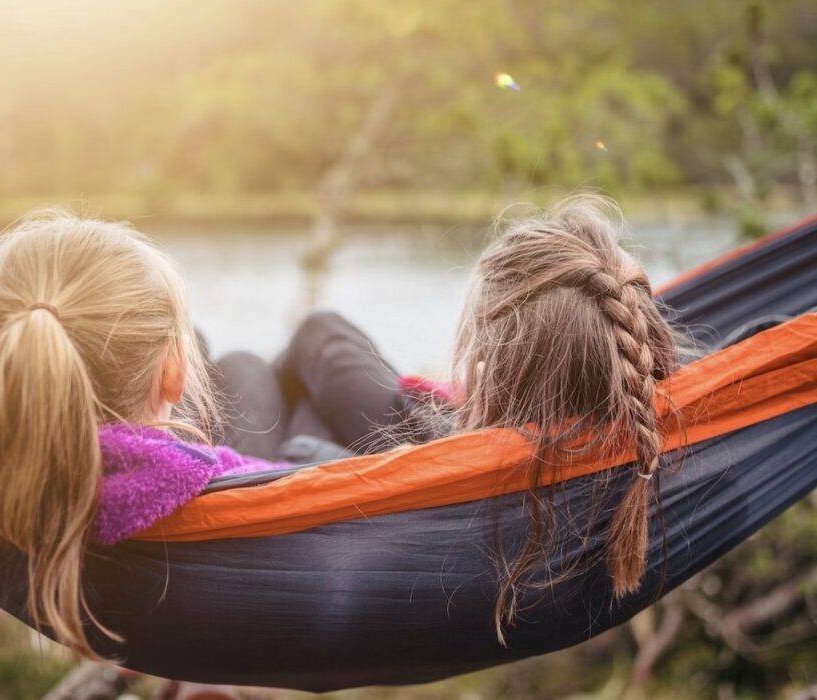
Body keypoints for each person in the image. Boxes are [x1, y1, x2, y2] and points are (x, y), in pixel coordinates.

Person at [274, 195, 680, 639]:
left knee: (292, 355)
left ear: (496, 367)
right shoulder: (677, 426)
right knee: (313, 353)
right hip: (472, 441)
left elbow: (303, 454)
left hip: (435, 460)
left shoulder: (475, 486)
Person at [0, 210, 290, 656]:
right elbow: (308, 480)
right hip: (230, 574)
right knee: (277, 353)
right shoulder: (221, 478)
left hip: (143, 600)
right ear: (174, 374)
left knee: (222, 352)